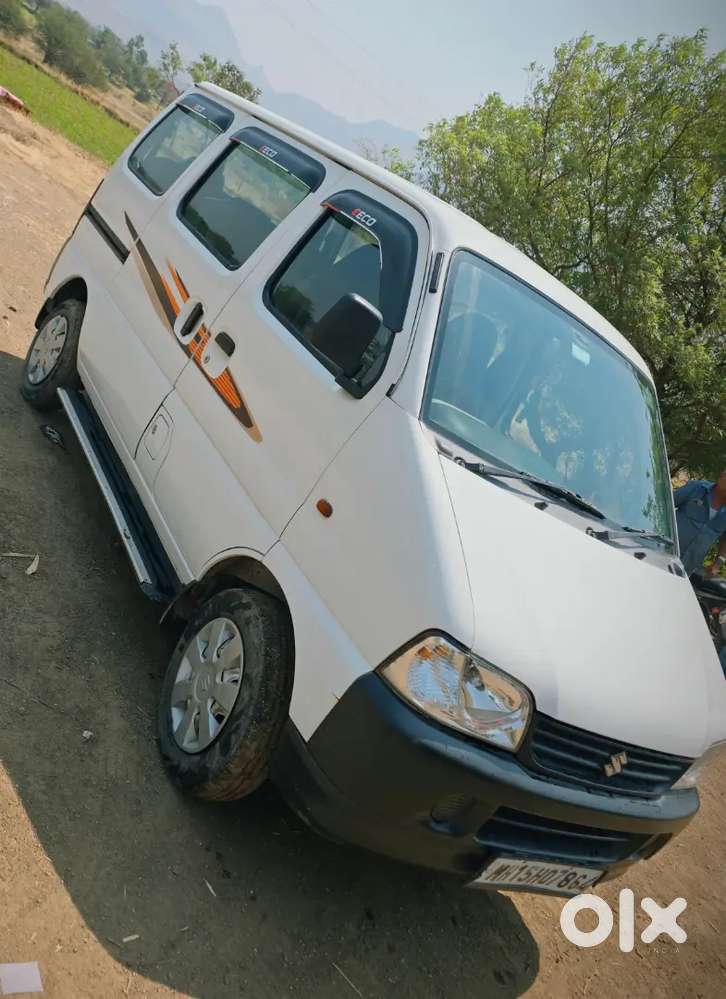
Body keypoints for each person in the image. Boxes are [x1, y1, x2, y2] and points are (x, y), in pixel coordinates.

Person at [673, 470, 726, 578]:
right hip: (662, 552)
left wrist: (718, 563)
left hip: (686, 568)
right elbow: (664, 505)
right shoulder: (696, 488)